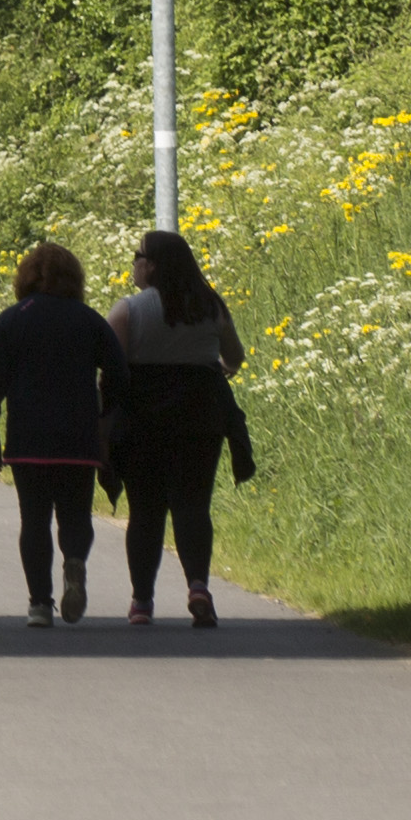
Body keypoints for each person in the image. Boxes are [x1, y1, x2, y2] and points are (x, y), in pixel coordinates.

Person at [105, 226, 259, 627]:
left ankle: (142, 602)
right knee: (193, 504)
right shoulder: (209, 306)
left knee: (145, 511)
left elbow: (112, 368)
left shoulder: (128, 310)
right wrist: (214, 368)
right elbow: (235, 356)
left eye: (137, 257)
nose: (134, 264)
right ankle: (198, 586)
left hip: (143, 420)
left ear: (152, 266)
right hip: (201, 415)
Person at [0, 238, 122, 625]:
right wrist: (105, 413)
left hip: (28, 438)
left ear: (24, 278)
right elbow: (119, 373)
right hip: (79, 437)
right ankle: (75, 561)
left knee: (34, 520)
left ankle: (40, 603)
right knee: (75, 515)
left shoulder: (11, 320)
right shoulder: (88, 320)